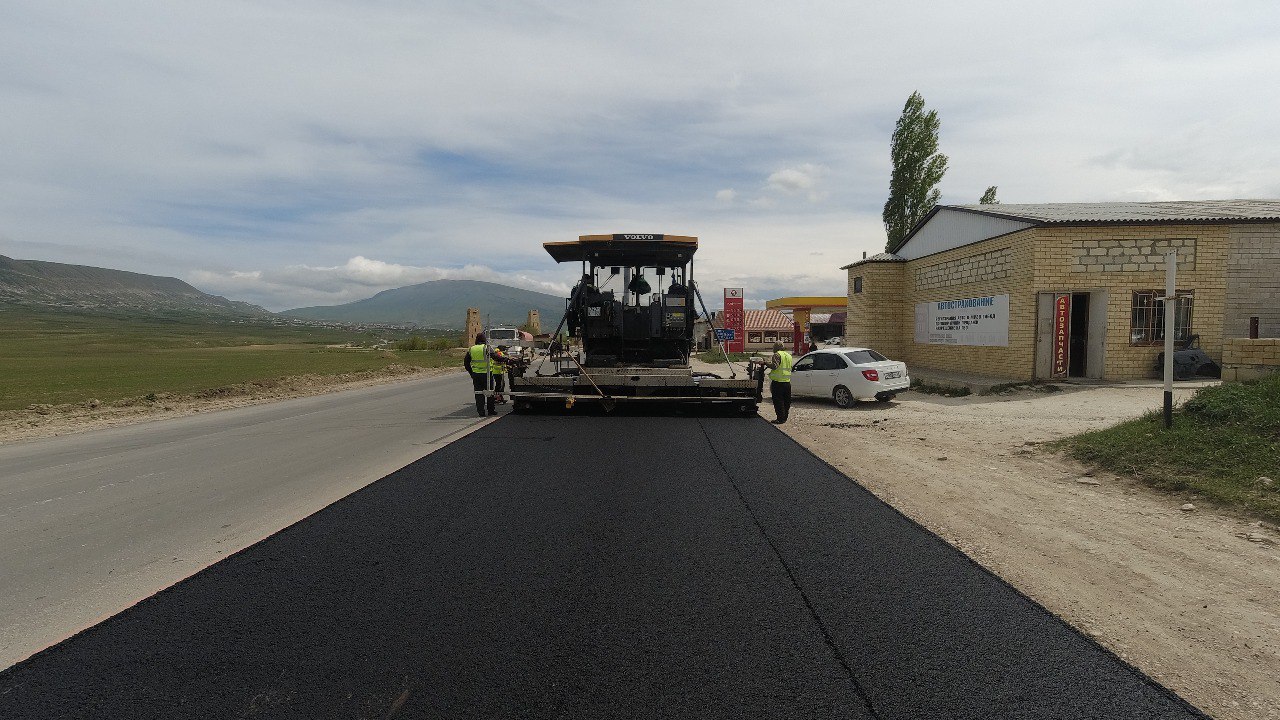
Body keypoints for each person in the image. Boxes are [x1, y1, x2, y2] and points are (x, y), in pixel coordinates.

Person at [464, 333, 505, 417]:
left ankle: (481, 412)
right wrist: (506, 360)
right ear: (484, 340)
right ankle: (491, 410)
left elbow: (466, 363)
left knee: (479, 393)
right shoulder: (487, 348)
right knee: (489, 393)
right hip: (487, 374)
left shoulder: (471, 349)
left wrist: (471, 372)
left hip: (476, 375)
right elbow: (496, 357)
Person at [766, 342, 793, 424]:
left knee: (778, 401)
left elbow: (775, 366)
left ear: (776, 347)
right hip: (787, 382)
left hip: (778, 383)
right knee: (786, 401)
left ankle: (780, 419)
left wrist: (765, 363)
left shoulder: (777, 355)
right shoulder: (788, 356)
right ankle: (784, 418)